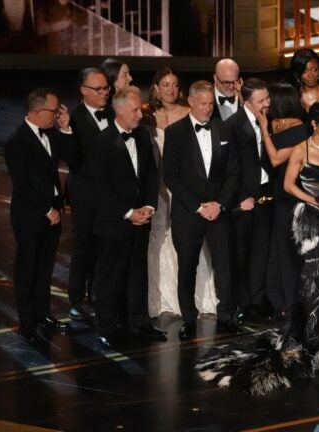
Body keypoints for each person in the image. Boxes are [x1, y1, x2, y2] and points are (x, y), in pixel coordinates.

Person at [195, 101, 319, 395]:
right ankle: (308, 334)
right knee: (311, 278)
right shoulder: (301, 149)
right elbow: (287, 185)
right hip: (311, 221)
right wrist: (312, 201)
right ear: (314, 124)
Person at [163, 80, 241, 339]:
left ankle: (227, 315)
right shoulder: (174, 132)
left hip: (219, 211)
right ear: (191, 102)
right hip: (188, 214)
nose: (208, 109)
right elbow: (171, 176)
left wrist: (219, 204)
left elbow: (233, 173)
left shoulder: (224, 129)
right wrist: (198, 206)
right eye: (203, 104)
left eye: (211, 104)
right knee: (187, 265)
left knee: (225, 265)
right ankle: (188, 318)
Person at [91, 86, 165, 348]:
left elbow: (151, 174)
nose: (139, 114)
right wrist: (128, 213)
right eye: (135, 110)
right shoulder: (101, 142)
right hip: (114, 223)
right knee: (111, 276)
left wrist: (148, 206)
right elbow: (100, 188)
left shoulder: (143, 136)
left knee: (137, 273)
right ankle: (107, 326)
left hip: (141, 219)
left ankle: (139, 321)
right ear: (119, 109)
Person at [142, 67, 218, 318]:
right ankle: (161, 297)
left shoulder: (191, 113)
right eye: (165, 84)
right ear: (155, 88)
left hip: (187, 189)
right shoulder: (146, 114)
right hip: (158, 186)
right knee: (160, 237)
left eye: (175, 84)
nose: (171, 90)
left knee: (190, 246)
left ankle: (198, 298)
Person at [5, 87, 78, 343]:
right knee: (28, 268)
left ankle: (43, 315)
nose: (57, 114)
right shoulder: (17, 142)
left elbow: (72, 158)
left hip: (53, 213)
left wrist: (66, 127)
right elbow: (23, 184)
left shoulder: (53, 135)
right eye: (53, 110)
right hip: (31, 215)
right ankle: (27, 322)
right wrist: (48, 211)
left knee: (45, 267)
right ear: (37, 111)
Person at [255, 82, 311, 316]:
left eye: (269, 100)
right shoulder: (302, 129)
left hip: (289, 199)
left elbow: (273, 161)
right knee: (290, 253)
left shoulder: (290, 134)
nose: (266, 104)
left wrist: (265, 129)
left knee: (287, 255)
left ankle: (290, 303)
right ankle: (287, 301)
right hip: (294, 198)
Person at [226, 78, 275, 321]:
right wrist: (238, 200)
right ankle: (243, 302)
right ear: (247, 101)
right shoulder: (234, 125)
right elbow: (230, 168)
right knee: (242, 253)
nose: (266, 104)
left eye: (267, 98)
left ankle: (258, 300)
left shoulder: (270, 121)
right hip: (244, 198)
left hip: (266, 193)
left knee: (261, 252)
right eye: (261, 101)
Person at [67, 68, 113, 321]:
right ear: (83, 91)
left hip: (111, 196)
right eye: (99, 89)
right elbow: (74, 160)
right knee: (84, 248)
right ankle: (76, 300)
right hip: (86, 195)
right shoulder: (73, 120)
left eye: (106, 87)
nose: (104, 92)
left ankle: (98, 296)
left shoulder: (114, 114)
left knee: (105, 248)